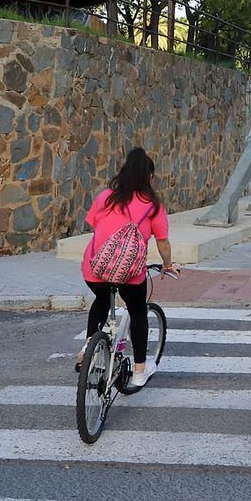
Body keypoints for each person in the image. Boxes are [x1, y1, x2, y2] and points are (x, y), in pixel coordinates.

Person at [78, 147, 178, 389]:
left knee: (101, 299)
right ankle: (140, 371)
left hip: (95, 269)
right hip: (130, 274)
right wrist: (167, 265)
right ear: (149, 177)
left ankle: (90, 346)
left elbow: (93, 224)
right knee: (137, 311)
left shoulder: (105, 197)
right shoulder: (153, 206)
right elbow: (162, 242)